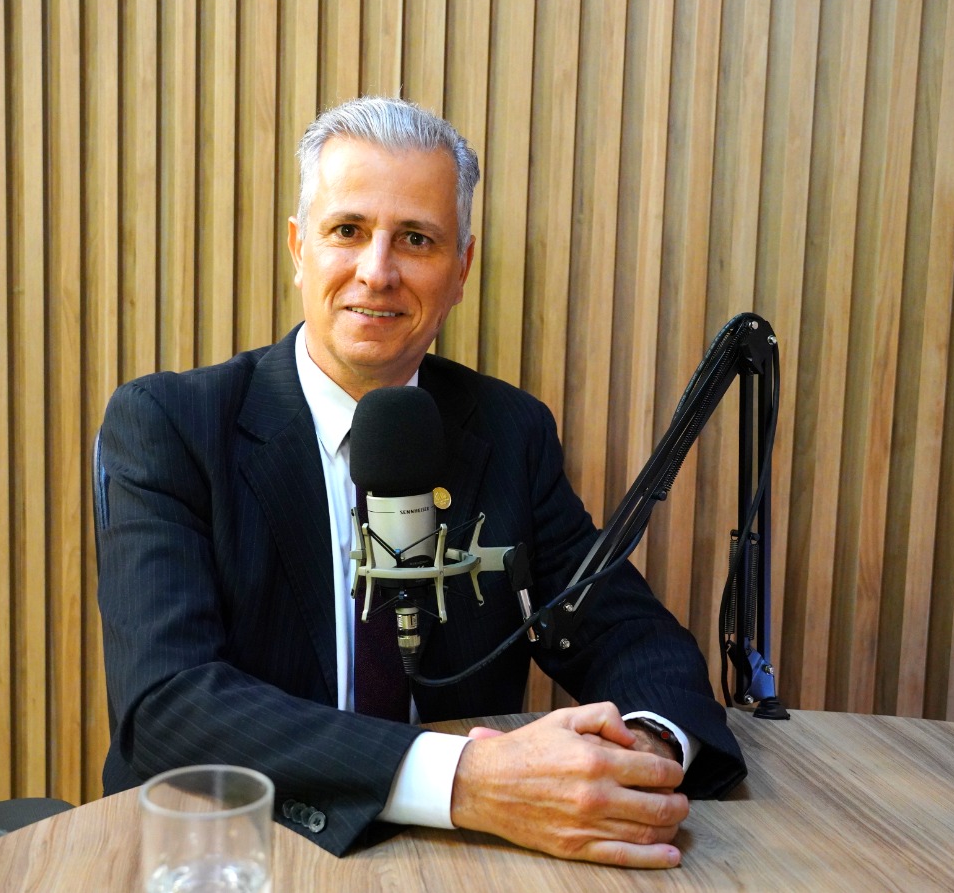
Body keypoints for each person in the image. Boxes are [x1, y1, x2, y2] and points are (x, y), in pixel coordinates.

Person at [96, 96, 745, 869]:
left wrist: (639, 752)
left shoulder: (507, 432)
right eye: (348, 231)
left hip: (455, 861)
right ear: (299, 248)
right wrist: (464, 780)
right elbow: (169, 708)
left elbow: (626, 631)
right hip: (239, 852)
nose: (378, 270)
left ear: (461, 267)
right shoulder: (170, 424)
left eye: (416, 238)